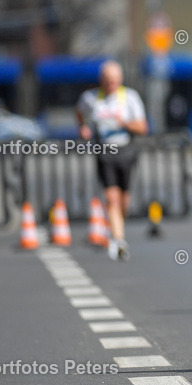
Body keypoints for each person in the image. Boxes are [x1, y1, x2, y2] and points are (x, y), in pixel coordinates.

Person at [76, 60, 148, 260]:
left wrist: (124, 123)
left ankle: (117, 227)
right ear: (101, 81)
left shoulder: (130, 97)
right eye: (108, 81)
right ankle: (119, 239)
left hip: (126, 151)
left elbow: (143, 127)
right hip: (104, 152)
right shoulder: (91, 98)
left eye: (115, 81)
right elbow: (79, 112)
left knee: (124, 200)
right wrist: (84, 128)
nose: (111, 85)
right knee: (111, 198)